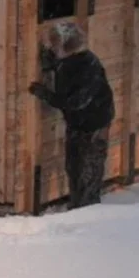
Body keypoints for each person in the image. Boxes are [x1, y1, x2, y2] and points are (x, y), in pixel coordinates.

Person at [27, 22, 115, 210]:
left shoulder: (88, 67)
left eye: (54, 45)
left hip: (94, 125)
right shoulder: (68, 60)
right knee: (73, 167)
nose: (52, 48)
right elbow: (57, 63)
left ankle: (87, 212)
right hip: (77, 124)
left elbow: (76, 102)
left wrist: (46, 94)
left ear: (66, 47)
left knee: (88, 174)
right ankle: (76, 207)